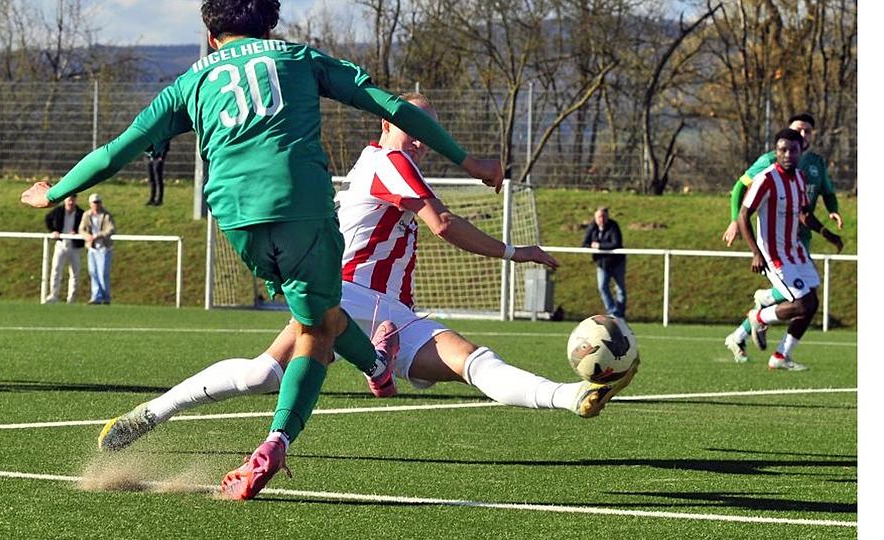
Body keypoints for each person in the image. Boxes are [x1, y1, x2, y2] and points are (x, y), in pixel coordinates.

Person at [20, 0, 504, 501]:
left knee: (319, 315)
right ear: (270, 24)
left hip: (236, 222)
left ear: (212, 37)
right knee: (317, 330)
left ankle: (377, 369)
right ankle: (278, 441)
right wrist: (469, 160)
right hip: (303, 210)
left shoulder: (191, 83)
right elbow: (394, 108)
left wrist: (52, 193)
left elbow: (116, 150)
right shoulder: (298, 58)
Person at [93, 93, 640, 471]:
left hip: (391, 312)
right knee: (266, 372)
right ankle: (156, 414)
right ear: (384, 123)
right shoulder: (388, 162)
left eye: (430, 132)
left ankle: (573, 396)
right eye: (415, 128)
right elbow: (442, 224)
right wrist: (514, 251)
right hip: (348, 294)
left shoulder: (392, 164)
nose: (424, 140)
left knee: (473, 361)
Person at [721, 113, 844, 362]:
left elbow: (806, 210)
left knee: (810, 303)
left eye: (807, 133)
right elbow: (742, 202)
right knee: (797, 302)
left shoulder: (803, 173)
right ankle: (757, 316)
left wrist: (826, 231)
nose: (789, 153)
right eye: (784, 149)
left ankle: (780, 356)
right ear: (778, 150)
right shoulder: (766, 173)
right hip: (774, 252)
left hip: (796, 246)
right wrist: (749, 241)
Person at [582, 207, 627, 320]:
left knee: (620, 289)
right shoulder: (592, 226)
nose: (601, 219)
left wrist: (599, 246)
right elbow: (585, 243)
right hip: (602, 264)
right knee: (602, 287)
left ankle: (620, 315)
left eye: (603, 216)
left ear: (607, 217)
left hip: (617, 262)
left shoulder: (613, 226)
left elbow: (616, 243)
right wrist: (592, 246)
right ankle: (613, 312)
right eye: (598, 217)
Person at [43, 194, 85, 304]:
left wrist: (77, 232)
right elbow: (47, 219)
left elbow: (86, 227)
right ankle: (53, 295)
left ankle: (71, 298)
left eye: (73, 200)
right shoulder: (59, 211)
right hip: (61, 245)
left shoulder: (81, 213)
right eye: (69, 200)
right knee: (56, 270)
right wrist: (53, 230)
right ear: (66, 200)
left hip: (74, 246)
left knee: (75, 273)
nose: (71, 202)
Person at [79, 193, 116, 305]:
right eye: (94, 203)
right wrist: (88, 237)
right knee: (93, 272)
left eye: (98, 202)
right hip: (92, 248)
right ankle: (96, 296)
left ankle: (106, 297)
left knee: (103, 273)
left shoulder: (106, 215)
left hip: (104, 248)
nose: (96, 205)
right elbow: (81, 229)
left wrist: (98, 235)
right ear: (90, 204)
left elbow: (111, 229)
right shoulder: (87, 215)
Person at [145, 139, 170, 206]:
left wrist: (162, 157)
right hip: (149, 158)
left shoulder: (163, 133)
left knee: (158, 179)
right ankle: (152, 199)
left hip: (158, 158)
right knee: (151, 179)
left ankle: (159, 199)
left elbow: (166, 145)